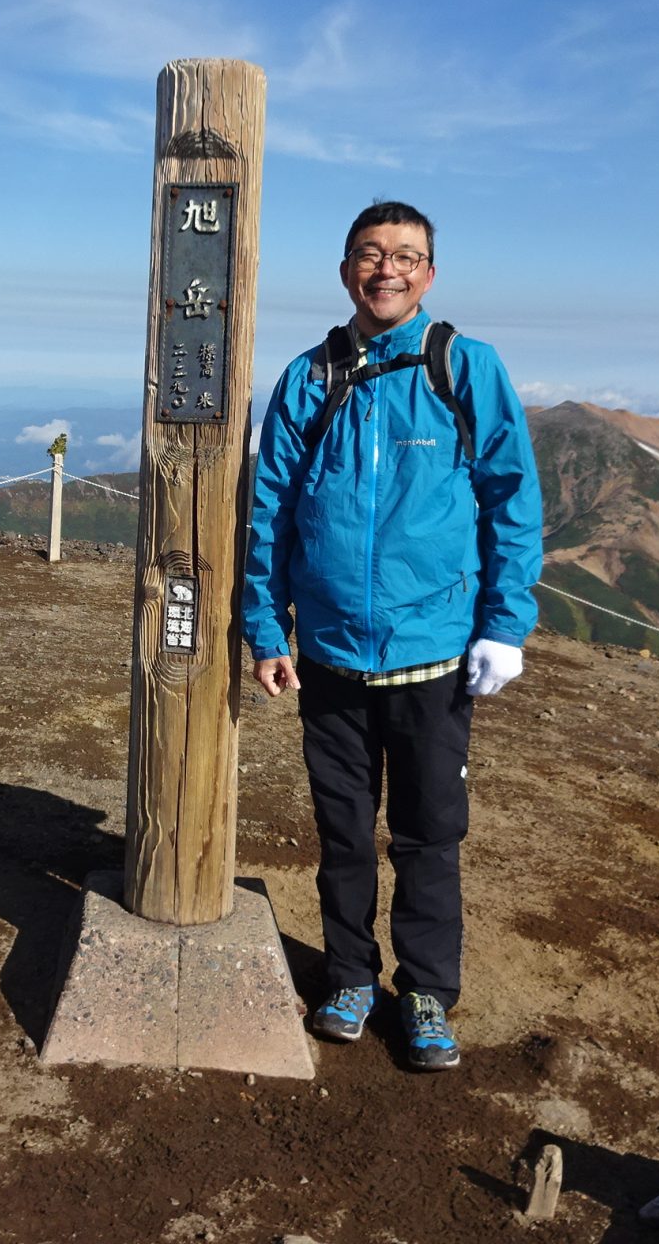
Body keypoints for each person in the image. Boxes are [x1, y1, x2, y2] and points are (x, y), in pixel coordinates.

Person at [243, 199, 542, 1072]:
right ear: (345, 271)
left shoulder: (464, 368)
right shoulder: (310, 377)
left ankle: (424, 993)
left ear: (430, 275)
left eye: (406, 256)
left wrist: (505, 626)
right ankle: (347, 975)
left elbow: (510, 501)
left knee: (427, 833)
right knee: (342, 831)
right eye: (371, 255)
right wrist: (266, 628)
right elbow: (270, 512)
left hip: (435, 655)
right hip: (330, 657)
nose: (388, 270)